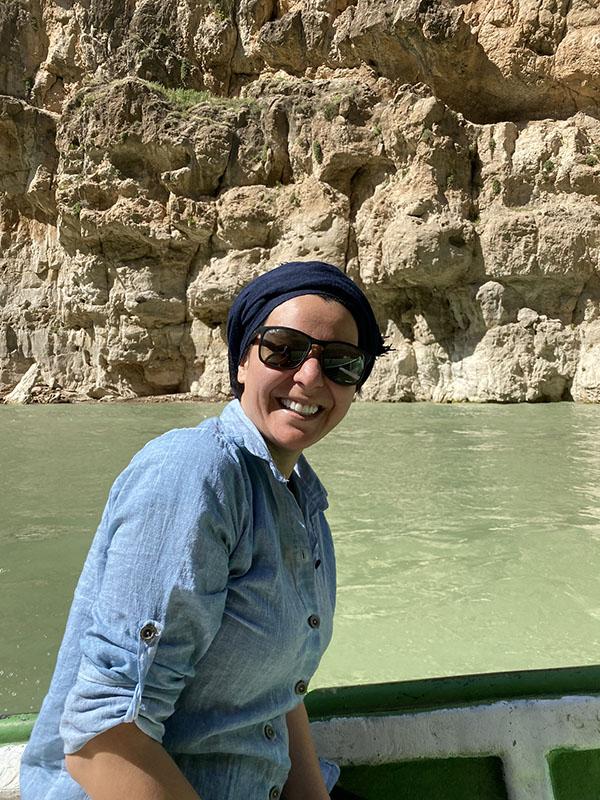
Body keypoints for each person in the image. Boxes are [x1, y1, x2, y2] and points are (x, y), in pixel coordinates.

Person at [20, 260, 387, 800]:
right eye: (283, 349)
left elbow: (278, 692)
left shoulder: (302, 502)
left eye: (340, 363)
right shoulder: (195, 472)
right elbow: (104, 735)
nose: (310, 377)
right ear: (242, 361)